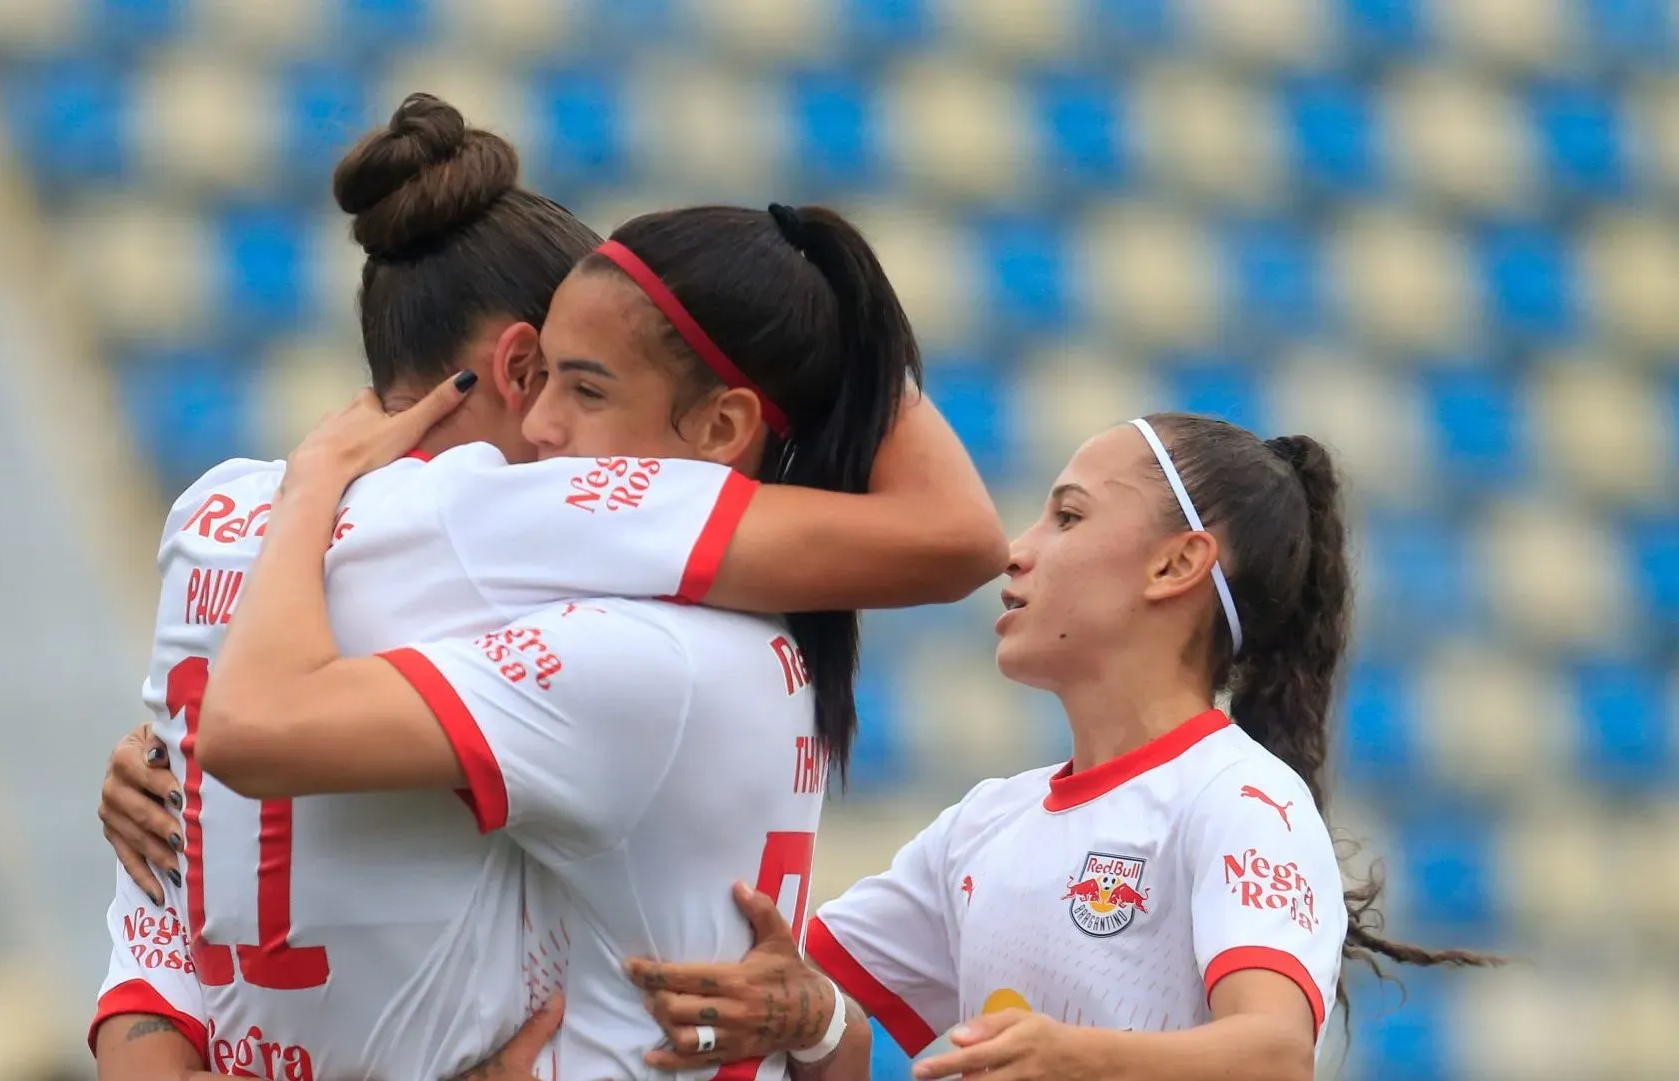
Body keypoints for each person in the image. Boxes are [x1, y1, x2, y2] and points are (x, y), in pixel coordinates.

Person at [90, 94, 1006, 1081]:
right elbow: (954, 536)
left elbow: (154, 947)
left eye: (592, 384)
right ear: (518, 361)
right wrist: (840, 309)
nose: (553, 435)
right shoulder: (532, 536)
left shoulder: (213, 516)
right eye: (558, 381)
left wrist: (313, 487)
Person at [619, 414, 1498, 1081]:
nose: (1017, 551)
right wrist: (801, 1013)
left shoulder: (1239, 797)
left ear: (1176, 564)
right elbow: (824, 1012)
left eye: (1067, 517)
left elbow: (1272, 1053)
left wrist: (1075, 1054)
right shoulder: (985, 823)